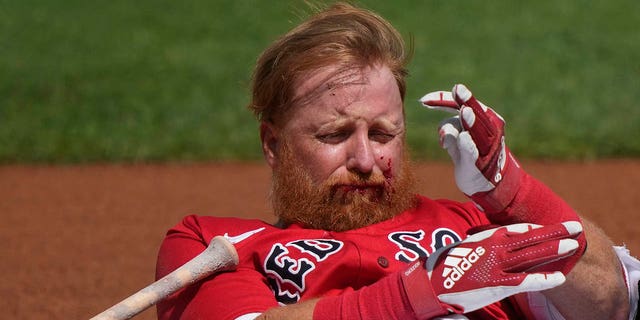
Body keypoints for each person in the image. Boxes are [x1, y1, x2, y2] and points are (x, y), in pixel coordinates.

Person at [155, 3, 639, 320]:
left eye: (384, 133)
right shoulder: (214, 243)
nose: (366, 159)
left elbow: (609, 306)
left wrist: (511, 194)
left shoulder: (472, 229)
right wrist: (422, 291)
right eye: (335, 134)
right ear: (273, 144)